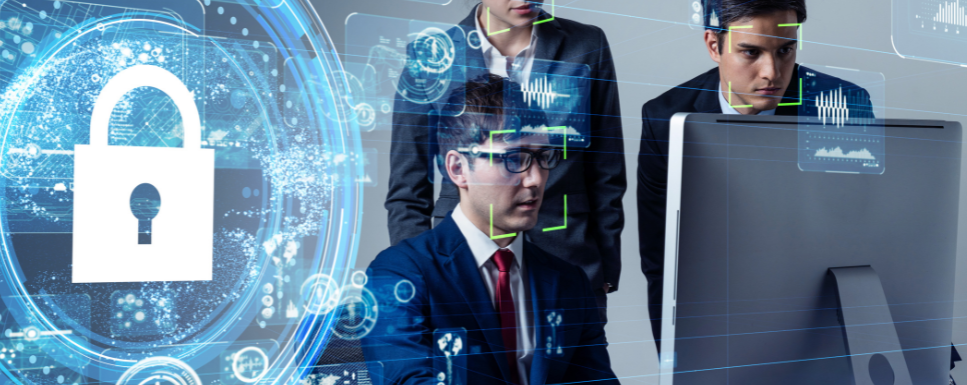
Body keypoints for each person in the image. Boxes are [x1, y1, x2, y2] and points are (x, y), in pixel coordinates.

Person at [637, 0, 876, 350]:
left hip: (820, 316)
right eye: (751, 52)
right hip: (720, 317)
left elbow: (866, 237)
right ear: (714, 46)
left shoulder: (843, 105)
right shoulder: (665, 120)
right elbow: (661, 260)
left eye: (785, 51)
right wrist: (675, 360)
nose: (772, 72)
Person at [364, 75, 618, 385]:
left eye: (544, 157)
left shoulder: (570, 282)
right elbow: (408, 380)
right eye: (515, 159)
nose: (536, 179)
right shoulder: (398, 274)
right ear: (458, 168)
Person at [385, 0, 627, 307]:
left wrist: (605, 268)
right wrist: (418, 274)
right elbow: (408, 187)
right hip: (460, 266)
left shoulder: (586, 45)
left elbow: (606, 170)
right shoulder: (431, 57)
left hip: (568, 256)